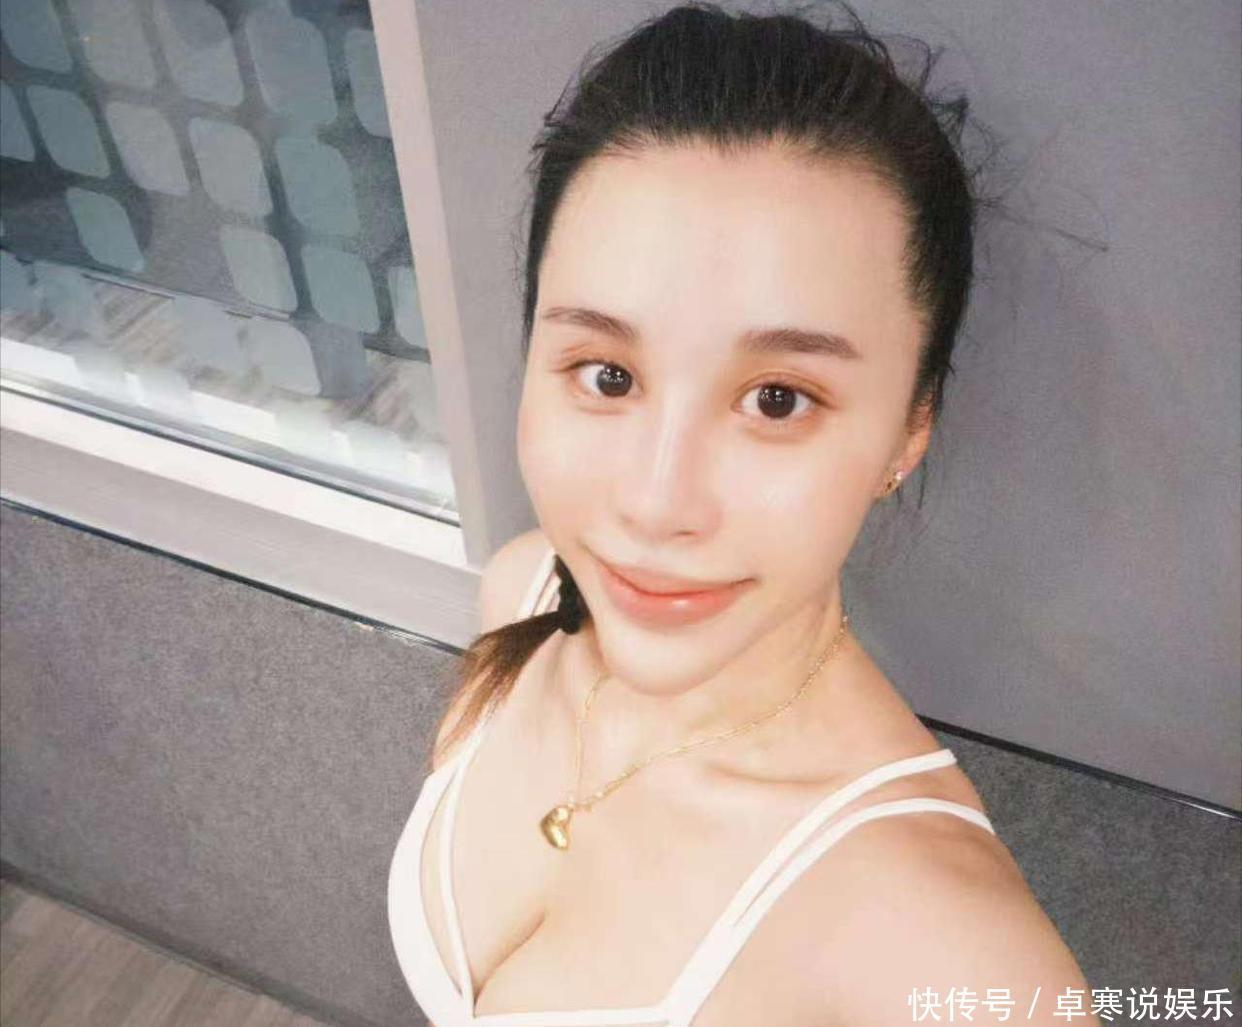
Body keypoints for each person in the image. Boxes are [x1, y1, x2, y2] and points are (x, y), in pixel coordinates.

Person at [388, 3, 1100, 1025]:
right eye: (607, 374)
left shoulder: (956, 956)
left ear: (909, 428)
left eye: (777, 399)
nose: (656, 502)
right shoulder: (523, 592)